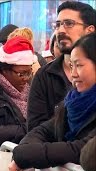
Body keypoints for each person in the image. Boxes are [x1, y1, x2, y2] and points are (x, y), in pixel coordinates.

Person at [9, 33, 96, 171]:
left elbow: (79, 150)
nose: (73, 74)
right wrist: (24, 152)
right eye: (71, 66)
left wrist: (24, 154)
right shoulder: (71, 102)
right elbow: (44, 130)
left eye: (79, 65)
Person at [27, 1, 96, 131]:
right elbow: (35, 128)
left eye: (69, 24)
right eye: (58, 25)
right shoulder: (44, 75)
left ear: (90, 31)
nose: (60, 30)